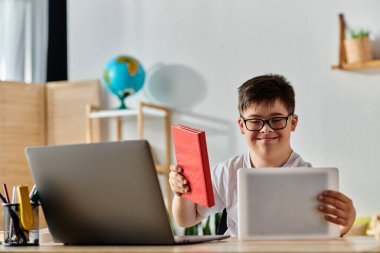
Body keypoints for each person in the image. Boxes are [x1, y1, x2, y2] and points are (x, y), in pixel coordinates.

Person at [169, 74, 356, 237]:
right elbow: (186, 219)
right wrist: (182, 192)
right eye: (255, 121)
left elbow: (325, 237)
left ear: (293, 122)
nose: (266, 129)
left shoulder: (308, 177)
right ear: (242, 126)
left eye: (276, 120)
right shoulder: (227, 171)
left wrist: (345, 224)